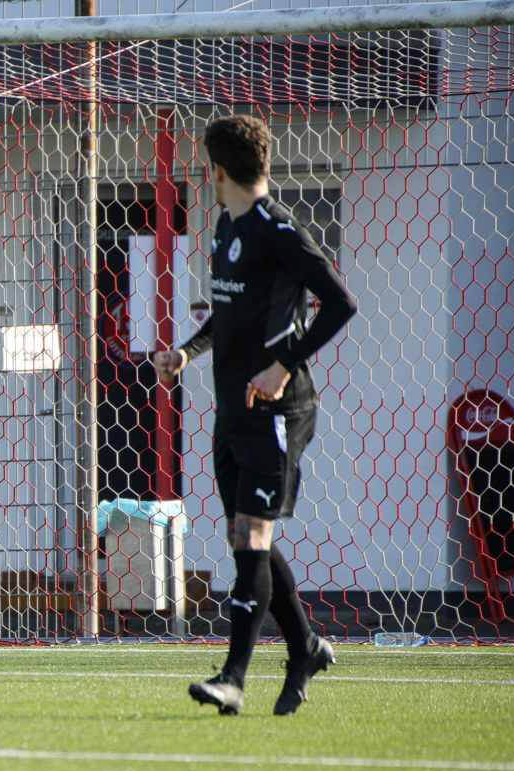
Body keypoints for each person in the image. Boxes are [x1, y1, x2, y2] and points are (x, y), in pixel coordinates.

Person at [152, 114, 357, 717]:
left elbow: (341, 303)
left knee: (251, 538)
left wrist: (283, 366)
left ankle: (234, 678)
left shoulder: (277, 230)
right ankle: (305, 648)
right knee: (248, 541)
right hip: (233, 411)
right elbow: (230, 315)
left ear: (216, 171)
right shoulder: (226, 225)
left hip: (277, 410)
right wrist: (187, 352)